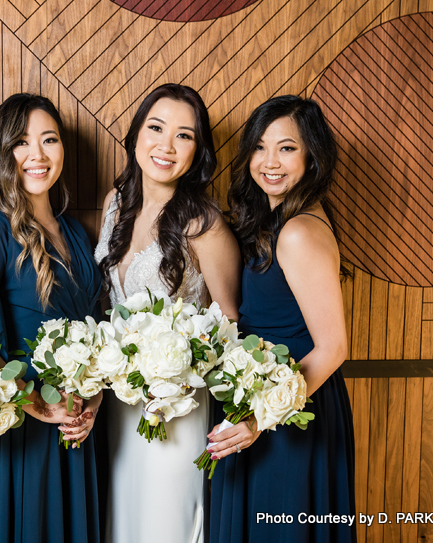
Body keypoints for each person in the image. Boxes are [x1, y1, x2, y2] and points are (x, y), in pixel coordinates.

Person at [0, 93, 104, 543]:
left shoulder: (76, 232)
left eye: (49, 140)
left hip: (77, 433)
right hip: (21, 437)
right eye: (21, 142)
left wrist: (91, 407)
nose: (37, 155)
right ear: (2, 152)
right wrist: (36, 406)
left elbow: (103, 340)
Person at [95, 83, 241, 543]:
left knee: (165, 524)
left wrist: (181, 374)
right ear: (136, 134)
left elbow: (231, 323)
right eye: (156, 128)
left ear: (197, 152)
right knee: (121, 520)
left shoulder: (204, 224)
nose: (166, 145)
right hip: (117, 403)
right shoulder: (115, 203)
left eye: (184, 136)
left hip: (175, 409)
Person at [206, 95, 356, 542]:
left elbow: (333, 347)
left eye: (287, 148)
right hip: (267, 401)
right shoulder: (277, 219)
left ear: (311, 157)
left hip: (290, 412)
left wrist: (258, 418)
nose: (270, 162)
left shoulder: (297, 232)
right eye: (260, 147)